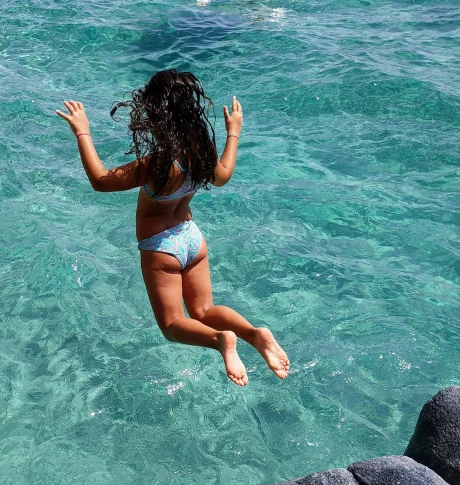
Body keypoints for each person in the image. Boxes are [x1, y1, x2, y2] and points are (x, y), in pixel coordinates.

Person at [56, 69, 289, 387]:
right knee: (204, 309)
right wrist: (233, 132)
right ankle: (254, 333)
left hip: (161, 248)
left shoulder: (158, 164)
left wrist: (83, 132)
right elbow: (223, 176)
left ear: (156, 119)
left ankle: (222, 341)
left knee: (172, 324)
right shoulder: (201, 155)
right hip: (192, 239)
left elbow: (100, 180)